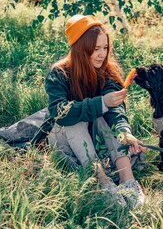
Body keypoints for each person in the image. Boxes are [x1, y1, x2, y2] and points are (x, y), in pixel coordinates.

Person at [45, 14, 146, 208]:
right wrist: (101, 102)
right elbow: (60, 112)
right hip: (66, 139)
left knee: (104, 114)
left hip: (95, 137)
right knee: (75, 119)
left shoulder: (106, 71)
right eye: (95, 49)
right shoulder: (59, 73)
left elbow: (115, 108)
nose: (102, 54)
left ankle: (128, 180)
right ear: (82, 49)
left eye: (105, 48)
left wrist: (125, 131)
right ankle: (104, 183)